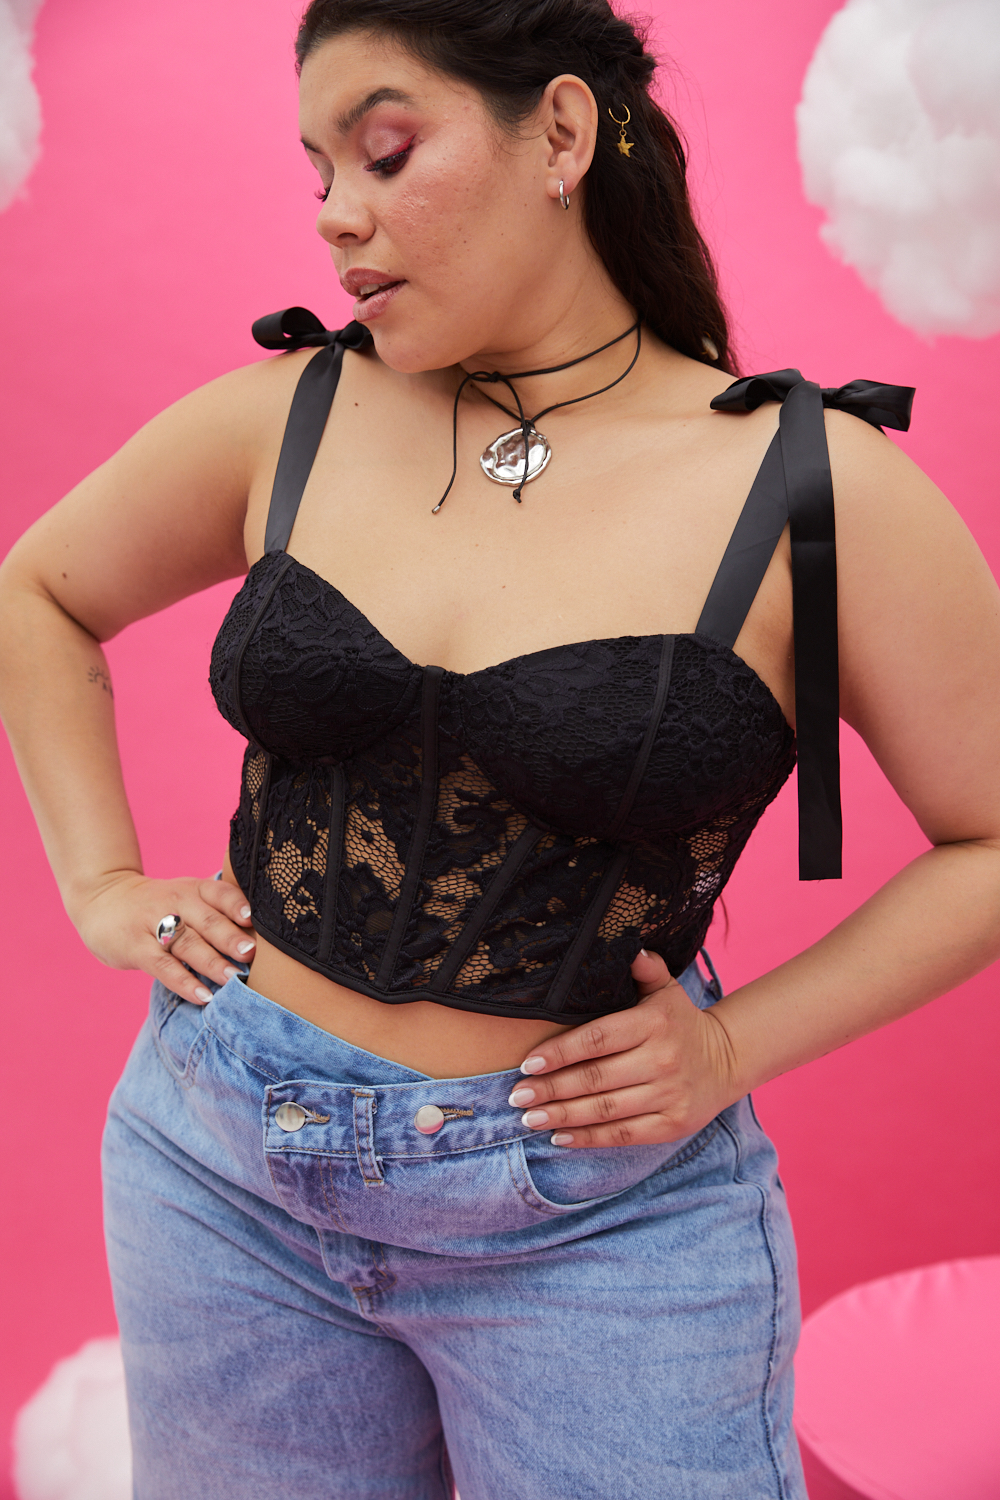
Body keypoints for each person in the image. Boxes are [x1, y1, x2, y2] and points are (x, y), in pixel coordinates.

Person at [1, 0, 999, 1495]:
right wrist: (100, 886)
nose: (336, 216)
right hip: (218, 1168)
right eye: (317, 172)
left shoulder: (812, 485)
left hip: (599, 1228)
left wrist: (734, 1046)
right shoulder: (298, 412)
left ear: (560, 134)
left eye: (386, 152)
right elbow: (40, 592)